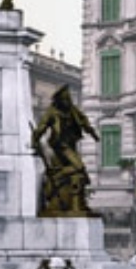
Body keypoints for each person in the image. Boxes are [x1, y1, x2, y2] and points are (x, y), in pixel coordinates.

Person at [32, 85, 99, 214]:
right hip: (60, 145)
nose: (68, 101)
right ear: (59, 100)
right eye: (65, 99)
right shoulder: (52, 112)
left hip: (71, 143)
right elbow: (41, 127)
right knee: (79, 167)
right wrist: (34, 141)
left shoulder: (71, 110)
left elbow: (83, 121)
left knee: (79, 175)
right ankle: (59, 181)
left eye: (69, 98)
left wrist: (92, 133)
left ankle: (77, 204)